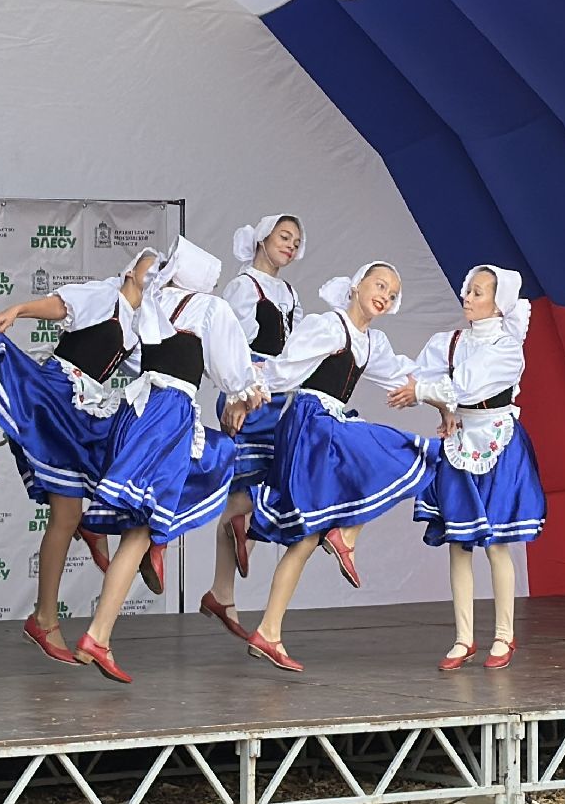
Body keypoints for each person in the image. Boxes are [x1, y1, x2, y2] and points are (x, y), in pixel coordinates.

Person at [71, 238, 267, 682]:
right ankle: (98, 635)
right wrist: (248, 395)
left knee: (212, 458)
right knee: (212, 467)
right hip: (170, 415)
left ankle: (104, 624)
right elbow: (232, 367)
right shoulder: (210, 310)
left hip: (139, 410)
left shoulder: (153, 305)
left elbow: (136, 355)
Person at [241, 262, 434, 670]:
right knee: (392, 448)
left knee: (307, 537)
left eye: (392, 293)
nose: (385, 294)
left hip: (329, 424)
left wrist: (439, 398)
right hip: (312, 423)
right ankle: (344, 535)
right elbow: (286, 368)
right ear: (357, 285)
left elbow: (403, 374)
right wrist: (249, 388)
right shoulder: (329, 325)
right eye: (380, 284)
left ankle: (268, 632)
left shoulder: (371, 342)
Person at [0, 248, 157, 664]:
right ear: (131, 271)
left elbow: (143, 372)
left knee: (124, 476)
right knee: (64, 515)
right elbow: (60, 307)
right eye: (149, 269)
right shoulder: (103, 296)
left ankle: (105, 537)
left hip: (89, 408)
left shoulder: (139, 324)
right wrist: (18, 309)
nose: (153, 278)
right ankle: (45, 618)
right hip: (59, 396)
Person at [396, 266, 545, 671]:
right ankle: (463, 639)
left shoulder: (507, 348)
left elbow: (466, 385)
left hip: (497, 437)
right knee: (458, 541)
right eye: (467, 290)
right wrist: (425, 397)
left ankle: (503, 635)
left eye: (477, 292)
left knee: (496, 542)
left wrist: (428, 393)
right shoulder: (451, 342)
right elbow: (418, 377)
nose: (467, 297)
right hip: (459, 438)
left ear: (499, 303)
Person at [201, 214, 303, 642]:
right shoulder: (244, 287)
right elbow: (231, 348)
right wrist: (240, 395)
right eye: (284, 236)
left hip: (282, 396)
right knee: (243, 489)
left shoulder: (290, 293)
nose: (291, 245)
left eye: (296, 241)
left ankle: (221, 592)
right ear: (263, 239)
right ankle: (222, 589)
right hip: (252, 395)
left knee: (274, 484)